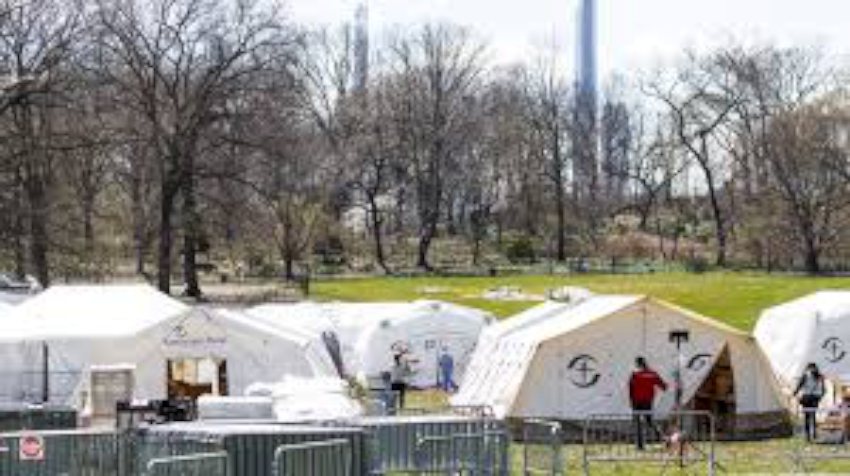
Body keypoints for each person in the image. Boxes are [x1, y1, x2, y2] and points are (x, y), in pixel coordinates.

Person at [629, 357, 668, 450]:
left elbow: (631, 389)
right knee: (650, 421)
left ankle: (640, 446)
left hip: (636, 402)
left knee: (637, 423)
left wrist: (631, 401)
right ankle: (663, 438)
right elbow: (664, 386)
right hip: (648, 401)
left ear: (637, 364)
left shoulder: (635, 374)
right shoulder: (652, 374)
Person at [794, 363, 826, 442]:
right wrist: (820, 396)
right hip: (812, 397)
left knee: (809, 416)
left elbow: (799, 385)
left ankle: (810, 435)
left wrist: (795, 392)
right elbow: (823, 389)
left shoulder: (809, 375)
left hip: (810, 397)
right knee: (811, 416)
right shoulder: (818, 376)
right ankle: (811, 434)